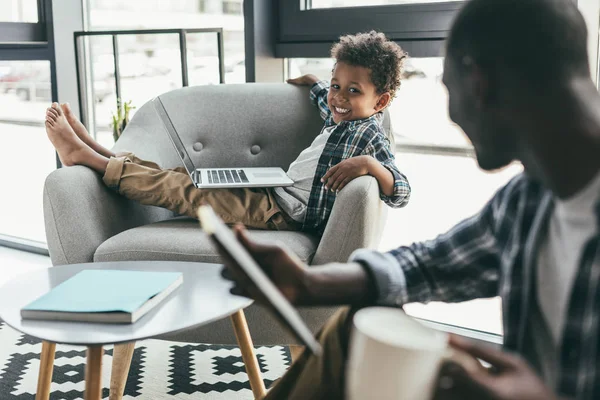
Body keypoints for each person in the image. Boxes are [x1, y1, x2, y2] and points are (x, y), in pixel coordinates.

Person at [217, 0, 600, 399]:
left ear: (479, 84)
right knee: (359, 321)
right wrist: (311, 283)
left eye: (448, 88)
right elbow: (428, 265)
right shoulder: (529, 202)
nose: (453, 114)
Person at [43, 31, 410, 234]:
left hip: (278, 213)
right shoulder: (342, 117)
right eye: (336, 85)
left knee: (181, 189)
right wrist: (316, 84)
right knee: (182, 176)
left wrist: (370, 166)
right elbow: (327, 103)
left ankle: (83, 158)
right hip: (271, 189)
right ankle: (101, 153)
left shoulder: (369, 138)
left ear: (382, 101)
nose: (339, 98)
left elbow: (402, 191)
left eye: (353, 90)